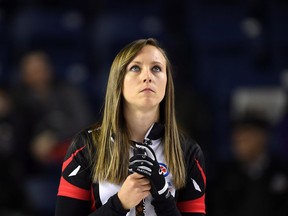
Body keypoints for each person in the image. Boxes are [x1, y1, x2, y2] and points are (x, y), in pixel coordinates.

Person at [55, 38, 206, 216]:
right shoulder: (86, 145)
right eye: (135, 68)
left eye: (156, 68)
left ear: (167, 83)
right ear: (118, 81)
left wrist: (164, 198)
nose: (147, 76)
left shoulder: (188, 151)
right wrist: (119, 204)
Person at [208, 113, 288, 216]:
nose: (239, 139)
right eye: (236, 136)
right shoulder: (222, 175)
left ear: (262, 137)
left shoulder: (280, 171)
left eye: (247, 134)